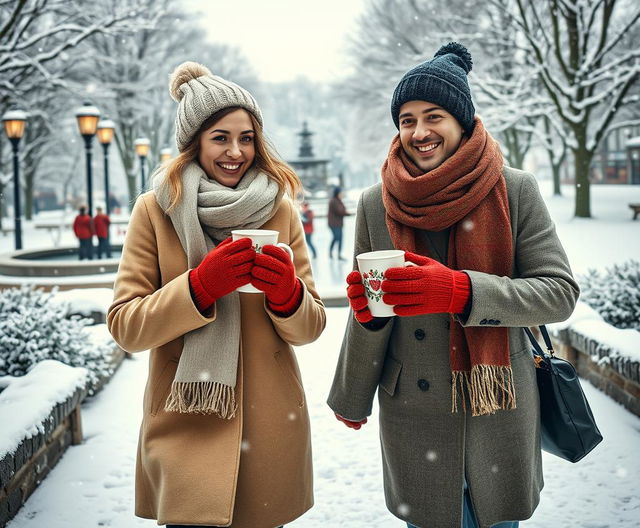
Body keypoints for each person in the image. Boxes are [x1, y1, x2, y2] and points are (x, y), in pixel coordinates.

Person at [327, 43, 580, 528]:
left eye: (433, 116)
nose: (419, 132)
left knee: (497, 518)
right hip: (415, 411)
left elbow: (558, 292)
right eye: (406, 119)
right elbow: (371, 315)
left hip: (498, 403)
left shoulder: (515, 190)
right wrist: (352, 394)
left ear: (462, 121)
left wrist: (463, 292)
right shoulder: (375, 204)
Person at [107, 62, 326, 528]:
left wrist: (287, 294)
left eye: (246, 137)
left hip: (270, 429)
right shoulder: (155, 210)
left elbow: (310, 327)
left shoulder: (279, 209)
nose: (235, 151)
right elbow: (125, 326)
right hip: (186, 422)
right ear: (195, 144)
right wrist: (200, 287)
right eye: (220, 137)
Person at [328, 186, 350, 260]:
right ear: (338, 193)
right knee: (336, 237)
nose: (342, 194)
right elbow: (340, 211)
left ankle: (339, 254)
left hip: (338, 223)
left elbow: (342, 209)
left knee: (340, 238)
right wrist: (347, 213)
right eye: (341, 193)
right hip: (334, 224)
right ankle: (331, 251)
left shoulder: (339, 200)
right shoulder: (334, 201)